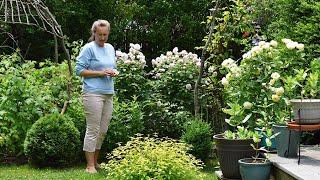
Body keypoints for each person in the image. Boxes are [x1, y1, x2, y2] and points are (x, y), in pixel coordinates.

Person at [75, 19, 118, 173]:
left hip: (108, 93)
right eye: (99, 34)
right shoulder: (88, 49)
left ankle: (95, 161)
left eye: (105, 34)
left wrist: (113, 72)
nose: (102, 37)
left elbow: (112, 67)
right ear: (94, 33)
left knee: (103, 130)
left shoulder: (110, 48)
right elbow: (79, 71)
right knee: (93, 129)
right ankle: (89, 165)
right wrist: (100, 73)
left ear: (108, 34)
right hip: (92, 93)